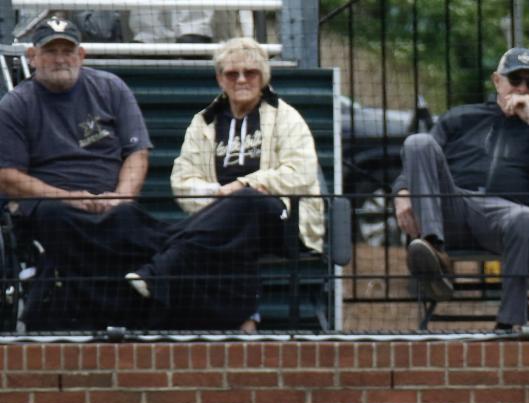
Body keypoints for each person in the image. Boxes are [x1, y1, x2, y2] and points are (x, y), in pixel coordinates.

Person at [125, 37, 325, 330]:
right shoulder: (203, 122)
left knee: (247, 201)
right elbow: (182, 181)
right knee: (229, 226)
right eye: (232, 73)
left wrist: (243, 185)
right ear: (220, 78)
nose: (241, 79)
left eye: (250, 72)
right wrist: (220, 199)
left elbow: (299, 173)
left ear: (264, 77)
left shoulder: (287, 118)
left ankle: (162, 266)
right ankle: (243, 322)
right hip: (225, 221)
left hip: (284, 220)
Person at [393, 46, 529, 333]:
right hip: (452, 206)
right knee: (417, 142)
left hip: (507, 218)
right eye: (515, 80)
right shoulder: (461, 117)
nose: (523, 89)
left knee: (526, 219)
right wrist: (402, 192)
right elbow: (417, 161)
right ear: (497, 81)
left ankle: (509, 324)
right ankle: (433, 250)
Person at [0, 17, 162, 329]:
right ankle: (107, 314)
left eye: (67, 50)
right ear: (33, 57)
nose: (60, 58)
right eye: (50, 51)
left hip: (110, 204)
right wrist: (69, 198)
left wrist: (120, 196)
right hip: (51, 207)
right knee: (58, 218)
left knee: (128, 217)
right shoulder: (15, 104)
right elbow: (7, 176)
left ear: (82, 55)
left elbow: (137, 154)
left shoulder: (112, 88)